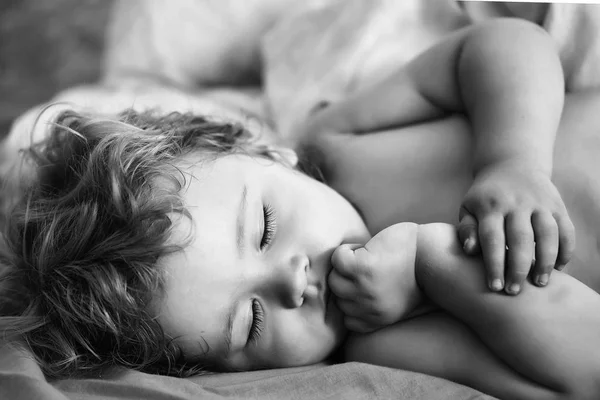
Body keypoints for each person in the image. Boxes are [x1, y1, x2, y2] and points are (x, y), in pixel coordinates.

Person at [1, 15, 599, 400]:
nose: (293, 280)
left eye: (263, 227)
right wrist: (430, 267)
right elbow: (580, 372)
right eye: (252, 321)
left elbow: (503, 44)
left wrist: (512, 161)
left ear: (269, 154)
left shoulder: (338, 142)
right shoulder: (384, 342)